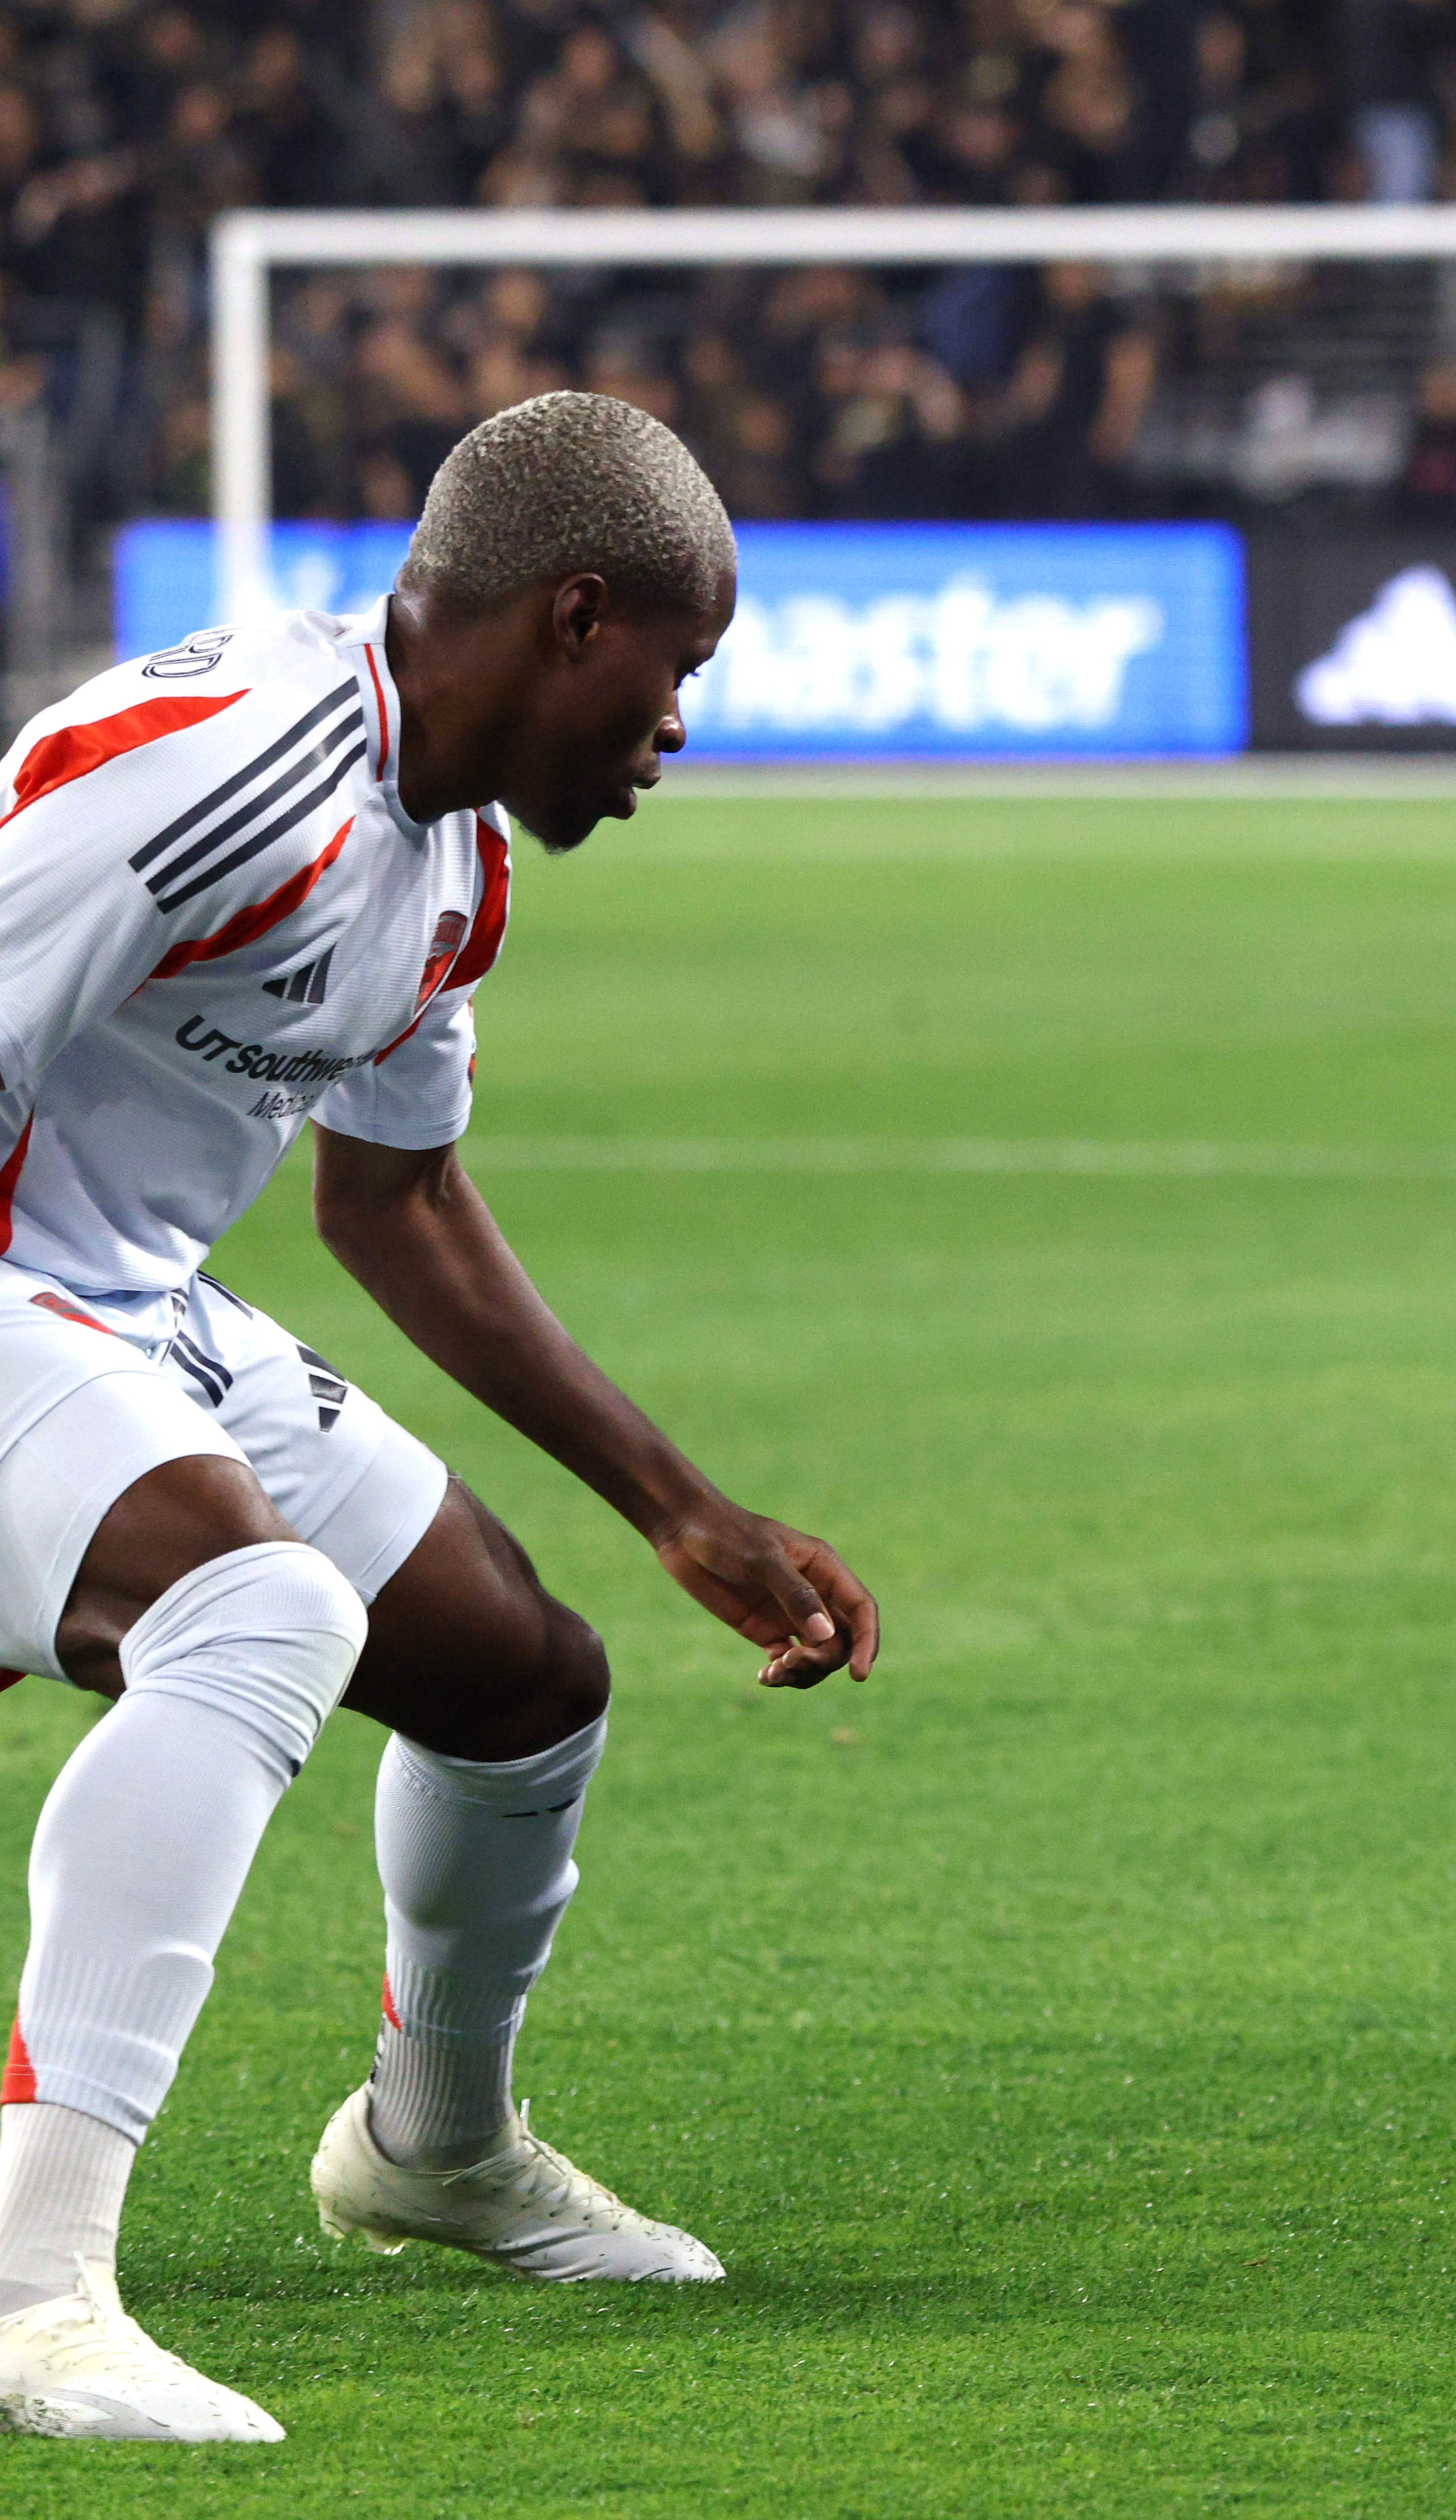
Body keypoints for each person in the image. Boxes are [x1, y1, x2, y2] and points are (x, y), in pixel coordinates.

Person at [0, 391, 881, 2442]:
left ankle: (432, 2148)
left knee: (520, 1683)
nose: (676, 731)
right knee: (262, 1611)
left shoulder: (454, 862)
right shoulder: (205, 774)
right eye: (673, 679)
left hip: (117, 1298)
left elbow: (392, 1200)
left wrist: (679, 1509)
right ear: (576, 620)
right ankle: (32, 2293)